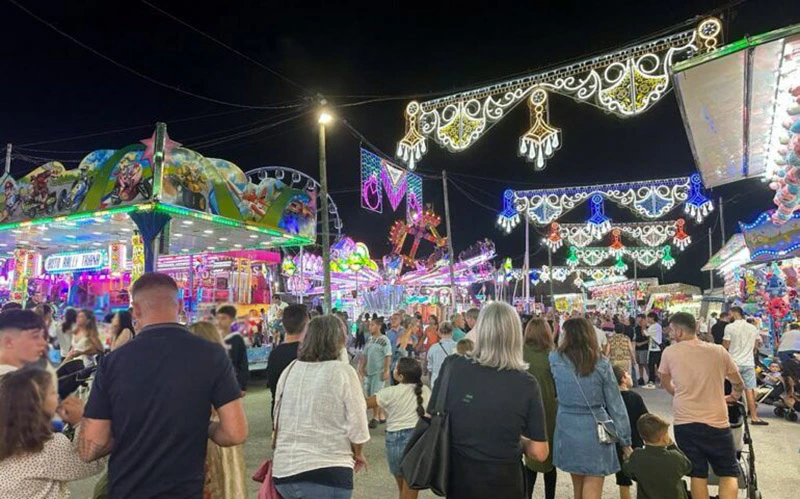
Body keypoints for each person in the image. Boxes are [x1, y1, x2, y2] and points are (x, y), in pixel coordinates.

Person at [79, 272, 247, 498]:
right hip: (185, 491)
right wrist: (205, 427)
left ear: (136, 311)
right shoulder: (212, 355)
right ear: (178, 306)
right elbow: (235, 433)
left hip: (126, 491)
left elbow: (91, 447)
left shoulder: (113, 362)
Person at [432, 301, 549, 498]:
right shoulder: (526, 383)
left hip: (460, 477)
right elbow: (539, 452)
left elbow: (433, 415)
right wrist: (515, 439)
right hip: (505, 481)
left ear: (480, 329)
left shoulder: (453, 366)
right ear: (515, 334)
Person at [272, 315, 369, 499]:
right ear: (339, 340)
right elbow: (358, 423)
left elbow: (276, 417)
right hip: (328, 471)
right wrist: (359, 453)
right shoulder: (343, 372)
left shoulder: (290, 369)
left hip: (284, 472)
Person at [659, 312, 744, 499]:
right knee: (728, 473)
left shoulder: (670, 352)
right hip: (717, 422)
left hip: (685, 422)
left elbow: (664, 379)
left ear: (680, 332)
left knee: (697, 474)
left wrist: (676, 392)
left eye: (672, 330)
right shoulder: (718, 351)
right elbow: (738, 382)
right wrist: (733, 396)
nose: (670, 334)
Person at [549, 317, 632, 499]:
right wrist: (625, 440)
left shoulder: (554, 359)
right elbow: (615, 403)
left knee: (577, 487)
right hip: (595, 427)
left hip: (567, 424)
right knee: (593, 487)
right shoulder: (601, 363)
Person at [0, 368, 106, 498]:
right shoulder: (47, 448)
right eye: (52, 392)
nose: (57, 396)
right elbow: (91, 463)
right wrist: (82, 421)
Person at [188, 322, 247, 499]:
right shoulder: (222, 370)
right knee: (228, 485)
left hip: (205, 441)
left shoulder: (191, 373)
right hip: (225, 441)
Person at [366, 357, 430, 499]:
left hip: (395, 441)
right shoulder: (425, 390)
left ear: (400, 376)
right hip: (418, 440)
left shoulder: (390, 392)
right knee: (410, 489)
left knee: (402, 488)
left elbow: (364, 404)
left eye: (395, 368)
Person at [522, 318, 558, 499]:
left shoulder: (519, 353)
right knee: (549, 458)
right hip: (550, 408)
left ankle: (527, 494)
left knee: (530, 456)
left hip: (524, 409)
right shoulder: (553, 355)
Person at [622, 414, 692, 499]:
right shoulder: (674, 457)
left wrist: (627, 459)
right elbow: (688, 466)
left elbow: (627, 470)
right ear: (664, 438)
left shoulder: (637, 456)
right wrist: (672, 445)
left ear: (641, 436)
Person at [723, 306, 767, 425]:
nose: (728, 316)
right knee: (749, 390)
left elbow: (725, 346)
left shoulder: (729, 327)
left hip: (733, 363)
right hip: (748, 363)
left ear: (733, 313)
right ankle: (754, 417)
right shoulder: (753, 328)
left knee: (732, 389)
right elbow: (757, 345)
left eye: (729, 314)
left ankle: (729, 415)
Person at [612, 365, 649, 499]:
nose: (630, 377)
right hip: (636, 441)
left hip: (616, 442)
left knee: (623, 479)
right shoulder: (635, 397)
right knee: (641, 475)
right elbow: (645, 419)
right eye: (627, 375)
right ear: (623, 379)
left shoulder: (612, 399)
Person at [266, 304, 309, 416]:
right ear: (306, 325)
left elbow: (273, 388)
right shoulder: (309, 354)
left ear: (284, 326)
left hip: (279, 413)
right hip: (303, 414)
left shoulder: (274, 355)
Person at [359, 315, 392, 428]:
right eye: (370, 325)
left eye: (372, 325)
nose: (370, 327)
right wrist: (361, 367)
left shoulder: (384, 340)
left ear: (379, 326)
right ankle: (381, 415)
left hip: (379, 371)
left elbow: (388, 356)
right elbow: (365, 355)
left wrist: (386, 370)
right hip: (369, 371)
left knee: (376, 394)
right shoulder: (370, 339)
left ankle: (375, 417)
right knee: (369, 393)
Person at [0, 309, 47, 378]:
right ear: (9, 342)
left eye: (42, 336)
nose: (43, 343)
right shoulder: (17, 383)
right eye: (35, 336)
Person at [216, 305, 249, 396]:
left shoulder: (237, 339)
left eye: (223, 318)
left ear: (232, 320)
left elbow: (243, 363)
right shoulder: (213, 338)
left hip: (232, 382)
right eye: (218, 318)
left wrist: (242, 386)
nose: (219, 321)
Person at [426, 320, 456, 389]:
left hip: (436, 380)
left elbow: (430, 368)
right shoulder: (457, 346)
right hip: (452, 380)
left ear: (439, 332)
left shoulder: (433, 348)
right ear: (452, 332)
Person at [643, 312, 663, 389]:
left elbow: (646, 334)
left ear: (652, 318)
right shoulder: (656, 326)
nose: (647, 320)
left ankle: (652, 381)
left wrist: (643, 326)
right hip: (655, 348)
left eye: (648, 318)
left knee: (652, 365)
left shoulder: (655, 326)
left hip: (655, 349)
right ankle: (659, 381)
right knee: (657, 365)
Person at [633, 314, 649, 386]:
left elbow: (648, 338)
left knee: (645, 363)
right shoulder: (636, 328)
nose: (638, 320)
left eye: (639, 319)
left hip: (644, 348)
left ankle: (650, 377)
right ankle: (641, 377)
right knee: (639, 363)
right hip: (637, 348)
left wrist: (641, 343)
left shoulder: (647, 328)